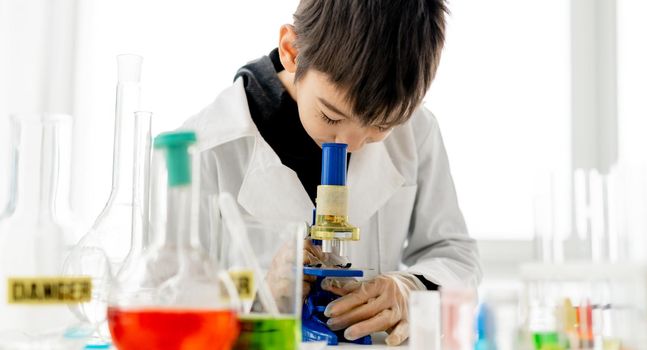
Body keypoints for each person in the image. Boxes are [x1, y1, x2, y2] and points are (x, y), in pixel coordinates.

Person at [182, 0, 482, 345]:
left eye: (380, 126)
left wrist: (413, 289)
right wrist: (259, 297)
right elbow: (167, 300)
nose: (351, 145)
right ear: (292, 51)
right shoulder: (202, 150)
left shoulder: (417, 131)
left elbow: (454, 254)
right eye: (331, 117)